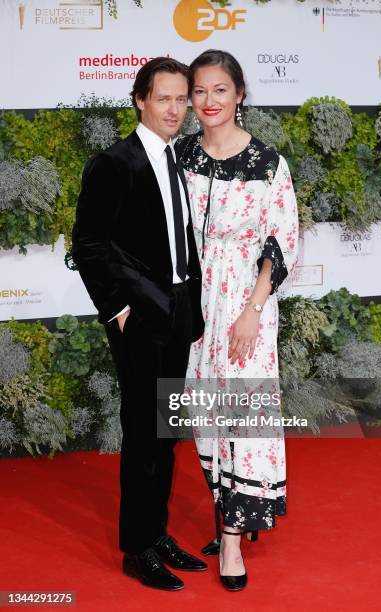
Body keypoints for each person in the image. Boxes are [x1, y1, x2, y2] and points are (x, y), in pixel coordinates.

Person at [71, 57, 207, 592]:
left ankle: (157, 535)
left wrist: (189, 307)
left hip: (177, 312)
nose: (175, 109)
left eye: (181, 99)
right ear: (140, 101)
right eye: (164, 99)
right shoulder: (115, 162)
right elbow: (89, 245)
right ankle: (136, 549)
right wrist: (118, 310)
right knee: (143, 436)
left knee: (166, 433)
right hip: (139, 316)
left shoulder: (178, 158)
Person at [176, 49, 299, 591]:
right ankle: (227, 509)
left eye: (220, 90)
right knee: (204, 412)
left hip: (246, 302)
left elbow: (282, 241)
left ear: (240, 95)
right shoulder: (180, 156)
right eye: (199, 91)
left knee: (244, 416)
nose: (209, 101)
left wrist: (252, 310)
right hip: (192, 303)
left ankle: (231, 541)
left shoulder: (268, 162)